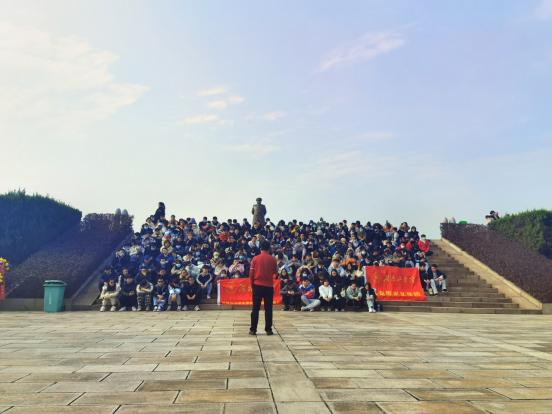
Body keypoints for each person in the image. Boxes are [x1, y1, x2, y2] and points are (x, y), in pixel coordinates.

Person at [249, 241, 278, 335]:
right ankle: (268, 329)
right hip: (268, 286)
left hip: (257, 285)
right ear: (269, 249)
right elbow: (275, 272)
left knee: (255, 308)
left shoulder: (255, 259)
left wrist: (252, 286)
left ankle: (253, 329)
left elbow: (251, 274)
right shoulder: (273, 259)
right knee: (268, 309)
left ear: (260, 249)